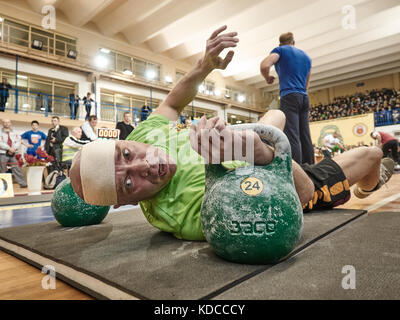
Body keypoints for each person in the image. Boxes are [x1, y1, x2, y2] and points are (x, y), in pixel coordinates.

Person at [70, 26, 394, 241]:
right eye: (128, 183)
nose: (144, 166)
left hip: (271, 153)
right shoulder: (181, 214)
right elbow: (303, 194)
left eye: (126, 154)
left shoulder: (146, 133)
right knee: (373, 154)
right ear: (122, 204)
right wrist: (257, 152)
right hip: (287, 187)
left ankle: (368, 184)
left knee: (278, 113)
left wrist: (205, 65)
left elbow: (172, 102)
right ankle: (368, 186)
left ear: (125, 141)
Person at [260, 32, 314, 165]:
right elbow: (307, 83)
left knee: (292, 134)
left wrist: (267, 77)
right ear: (293, 42)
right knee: (305, 135)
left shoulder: (280, 51)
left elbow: (265, 65)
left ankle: (295, 169)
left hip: (289, 96)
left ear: (280, 43)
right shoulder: (307, 57)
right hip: (304, 97)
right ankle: (310, 167)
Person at [0, 119, 27, 188]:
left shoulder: (15, 132)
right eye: (4, 122)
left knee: (17, 168)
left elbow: (18, 141)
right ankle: (3, 185)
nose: (6, 124)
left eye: (8, 122)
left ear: (10, 123)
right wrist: (9, 148)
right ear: (2, 123)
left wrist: (13, 148)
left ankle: (22, 183)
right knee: (2, 169)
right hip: (3, 153)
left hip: (14, 153)